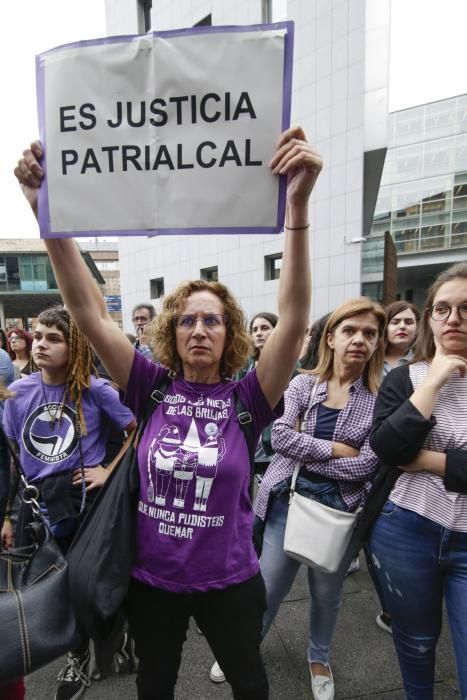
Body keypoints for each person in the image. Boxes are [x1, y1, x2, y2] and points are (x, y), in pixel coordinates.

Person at [14, 125, 322, 700]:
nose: (199, 328)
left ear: (229, 333)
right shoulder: (148, 386)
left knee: (251, 684)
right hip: (152, 581)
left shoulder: (248, 398)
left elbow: (297, 316)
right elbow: (88, 313)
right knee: (154, 685)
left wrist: (298, 208)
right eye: (187, 319)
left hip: (230, 582)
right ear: (171, 332)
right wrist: (47, 216)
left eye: (212, 319)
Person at [1, 305, 136, 700]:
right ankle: (77, 655)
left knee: (91, 587)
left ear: (74, 345)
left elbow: (138, 428)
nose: (41, 344)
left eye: (53, 338)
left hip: (86, 507)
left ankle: (114, 638)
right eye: (38, 336)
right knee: (55, 591)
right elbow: (11, 459)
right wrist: (7, 516)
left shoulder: (96, 390)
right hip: (37, 508)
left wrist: (108, 470)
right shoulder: (17, 393)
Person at [254, 297, 385, 700]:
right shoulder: (302, 383)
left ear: (378, 343)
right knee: (267, 587)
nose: (358, 340)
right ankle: (243, 649)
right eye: (349, 330)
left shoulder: (381, 398)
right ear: (330, 338)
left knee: (326, 595)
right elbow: (279, 439)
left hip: (340, 512)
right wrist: (334, 449)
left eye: (368, 333)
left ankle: (318, 658)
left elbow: (366, 467)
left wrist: (307, 449)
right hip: (285, 503)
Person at [367, 262, 467, 699]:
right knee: (415, 643)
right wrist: (437, 378)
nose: (453, 319)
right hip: (406, 527)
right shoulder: (406, 378)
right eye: (441, 309)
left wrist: (430, 461)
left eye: (465, 309)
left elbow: (407, 456)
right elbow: (387, 450)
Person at [383, 301, 420, 377]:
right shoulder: (371, 360)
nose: (402, 326)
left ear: (417, 327)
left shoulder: (424, 361)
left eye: (409, 322)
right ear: (385, 327)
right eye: (395, 322)